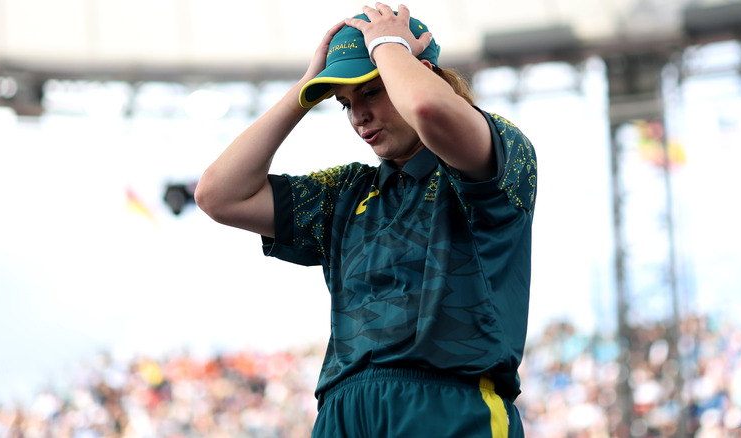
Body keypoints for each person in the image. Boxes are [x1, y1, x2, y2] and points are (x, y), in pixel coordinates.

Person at [195, 3, 537, 437]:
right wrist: (305, 88)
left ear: (420, 71)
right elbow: (217, 194)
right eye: (344, 103)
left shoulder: (501, 150)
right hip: (343, 411)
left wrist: (389, 46)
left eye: (372, 92)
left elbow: (431, 110)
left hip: (450, 406)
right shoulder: (346, 192)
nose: (358, 117)